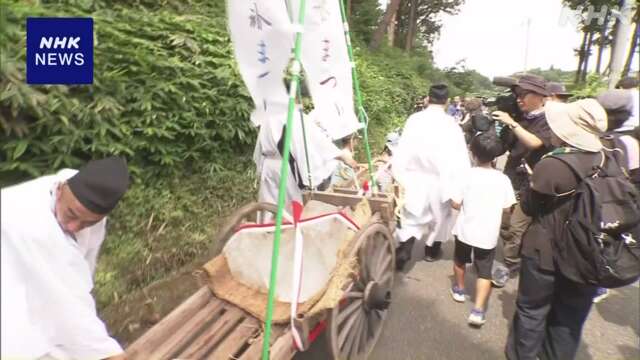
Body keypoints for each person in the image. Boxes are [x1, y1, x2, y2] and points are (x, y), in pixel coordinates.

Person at [506, 99, 608, 360]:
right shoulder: (609, 155)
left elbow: (529, 207)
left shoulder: (555, 164)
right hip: (589, 253)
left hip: (547, 252)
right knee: (569, 322)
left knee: (531, 311)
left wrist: (532, 180)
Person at [1, 157, 130, 360]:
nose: (73, 227)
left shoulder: (81, 201)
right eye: (71, 214)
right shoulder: (32, 223)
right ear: (60, 189)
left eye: (87, 223)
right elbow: (65, 302)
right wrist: (109, 353)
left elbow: (78, 277)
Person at [393, 83, 471, 269]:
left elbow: (403, 148)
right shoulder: (451, 124)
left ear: (428, 98)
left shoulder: (415, 119)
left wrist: (398, 174)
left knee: (411, 216)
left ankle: (405, 250)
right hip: (440, 181)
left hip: (414, 178)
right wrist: (459, 188)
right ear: (446, 102)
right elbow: (460, 157)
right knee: (440, 218)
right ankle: (431, 251)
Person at [450, 130, 516, 327]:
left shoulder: (466, 175)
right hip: (488, 233)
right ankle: (478, 310)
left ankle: (460, 290)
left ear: (472, 153)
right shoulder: (503, 179)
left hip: (465, 229)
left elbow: (455, 203)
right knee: (485, 271)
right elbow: (508, 207)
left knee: (460, 261)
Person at [492, 74, 554, 279]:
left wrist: (512, 123)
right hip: (512, 177)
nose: (519, 99)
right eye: (517, 94)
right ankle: (516, 256)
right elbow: (505, 147)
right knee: (505, 223)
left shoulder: (550, 119)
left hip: (534, 182)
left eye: (524, 94)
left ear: (540, 96)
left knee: (517, 227)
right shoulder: (520, 117)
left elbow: (535, 143)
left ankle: (512, 264)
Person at [254, 110, 358, 217]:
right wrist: (341, 155)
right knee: (292, 206)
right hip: (287, 167)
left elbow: (260, 147)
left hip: (269, 165)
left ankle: (265, 229)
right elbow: (316, 142)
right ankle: (293, 228)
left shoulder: (268, 115)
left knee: (269, 203)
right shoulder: (294, 116)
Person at [593, 89, 640, 303]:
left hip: (590, 202)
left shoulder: (589, 137)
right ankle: (602, 280)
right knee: (608, 243)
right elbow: (635, 178)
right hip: (617, 207)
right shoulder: (629, 144)